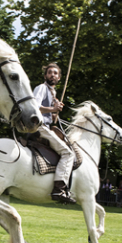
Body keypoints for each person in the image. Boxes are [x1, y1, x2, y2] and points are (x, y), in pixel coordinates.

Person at [32, 63, 76, 204]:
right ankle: (59, 189)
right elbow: (34, 108)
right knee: (68, 153)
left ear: (59, 78)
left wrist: (55, 112)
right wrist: (52, 108)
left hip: (46, 126)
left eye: (55, 73)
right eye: (50, 72)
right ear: (45, 76)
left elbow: (52, 119)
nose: (52, 75)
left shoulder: (53, 93)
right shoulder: (41, 88)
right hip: (38, 127)